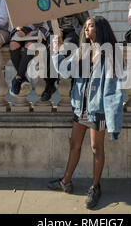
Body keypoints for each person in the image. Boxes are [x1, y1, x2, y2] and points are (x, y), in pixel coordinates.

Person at [47, 16, 123, 210]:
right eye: (86, 26)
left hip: (98, 110)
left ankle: (95, 186)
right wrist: (57, 51)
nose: (86, 29)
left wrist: (113, 124)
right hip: (80, 108)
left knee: (96, 148)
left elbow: (114, 91)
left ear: (101, 29)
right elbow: (65, 71)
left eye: (90, 26)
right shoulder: (82, 51)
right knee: (74, 144)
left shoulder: (111, 55)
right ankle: (66, 181)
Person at [40, 12, 89, 102]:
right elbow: (48, 16)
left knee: (68, 46)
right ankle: (50, 84)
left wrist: (77, 12)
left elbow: (87, 21)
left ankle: (73, 84)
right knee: (51, 47)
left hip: (74, 31)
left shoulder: (79, 2)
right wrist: (55, 29)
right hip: (57, 29)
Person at [9, 22, 50, 96]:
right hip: (20, 29)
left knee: (30, 46)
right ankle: (22, 78)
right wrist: (16, 26)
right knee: (13, 45)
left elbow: (41, 17)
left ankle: (17, 78)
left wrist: (25, 30)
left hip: (36, 30)